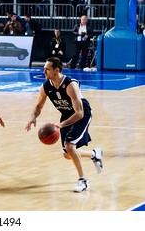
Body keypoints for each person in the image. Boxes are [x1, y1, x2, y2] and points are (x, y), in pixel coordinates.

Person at [25, 57, 103, 192]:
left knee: (69, 146)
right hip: (67, 115)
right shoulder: (46, 87)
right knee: (67, 154)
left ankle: (83, 181)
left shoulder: (70, 85)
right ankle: (94, 154)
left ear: (56, 70)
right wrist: (33, 117)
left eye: (47, 69)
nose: (44, 71)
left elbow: (79, 113)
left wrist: (60, 125)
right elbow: (39, 106)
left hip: (82, 114)